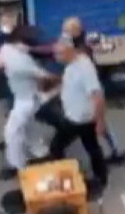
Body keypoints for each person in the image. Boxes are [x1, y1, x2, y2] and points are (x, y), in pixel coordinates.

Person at [0, 25, 56, 181]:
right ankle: (41, 152)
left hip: (27, 101)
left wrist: (55, 85)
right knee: (28, 126)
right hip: (25, 98)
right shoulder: (6, 50)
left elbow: (44, 75)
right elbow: (2, 41)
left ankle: (16, 165)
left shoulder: (18, 64)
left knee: (12, 132)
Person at [60, 17, 125, 165]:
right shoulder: (82, 47)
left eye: (66, 33)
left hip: (87, 94)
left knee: (96, 128)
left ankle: (113, 153)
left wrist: (99, 119)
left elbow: (97, 94)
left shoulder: (82, 54)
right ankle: (116, 150)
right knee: (99, 129)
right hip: (86, 91)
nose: (63, 38)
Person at [46, 37, 109, 196]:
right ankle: (101, 178)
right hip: (77, 116)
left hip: (79, 119)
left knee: (56, 147)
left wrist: (100, 121)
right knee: (91, 146)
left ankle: (65, 179)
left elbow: (98, 96)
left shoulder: (84, 69)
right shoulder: (73, 65)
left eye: (59, 54)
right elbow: (68, 85)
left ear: (70, 51)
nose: (56, 58)